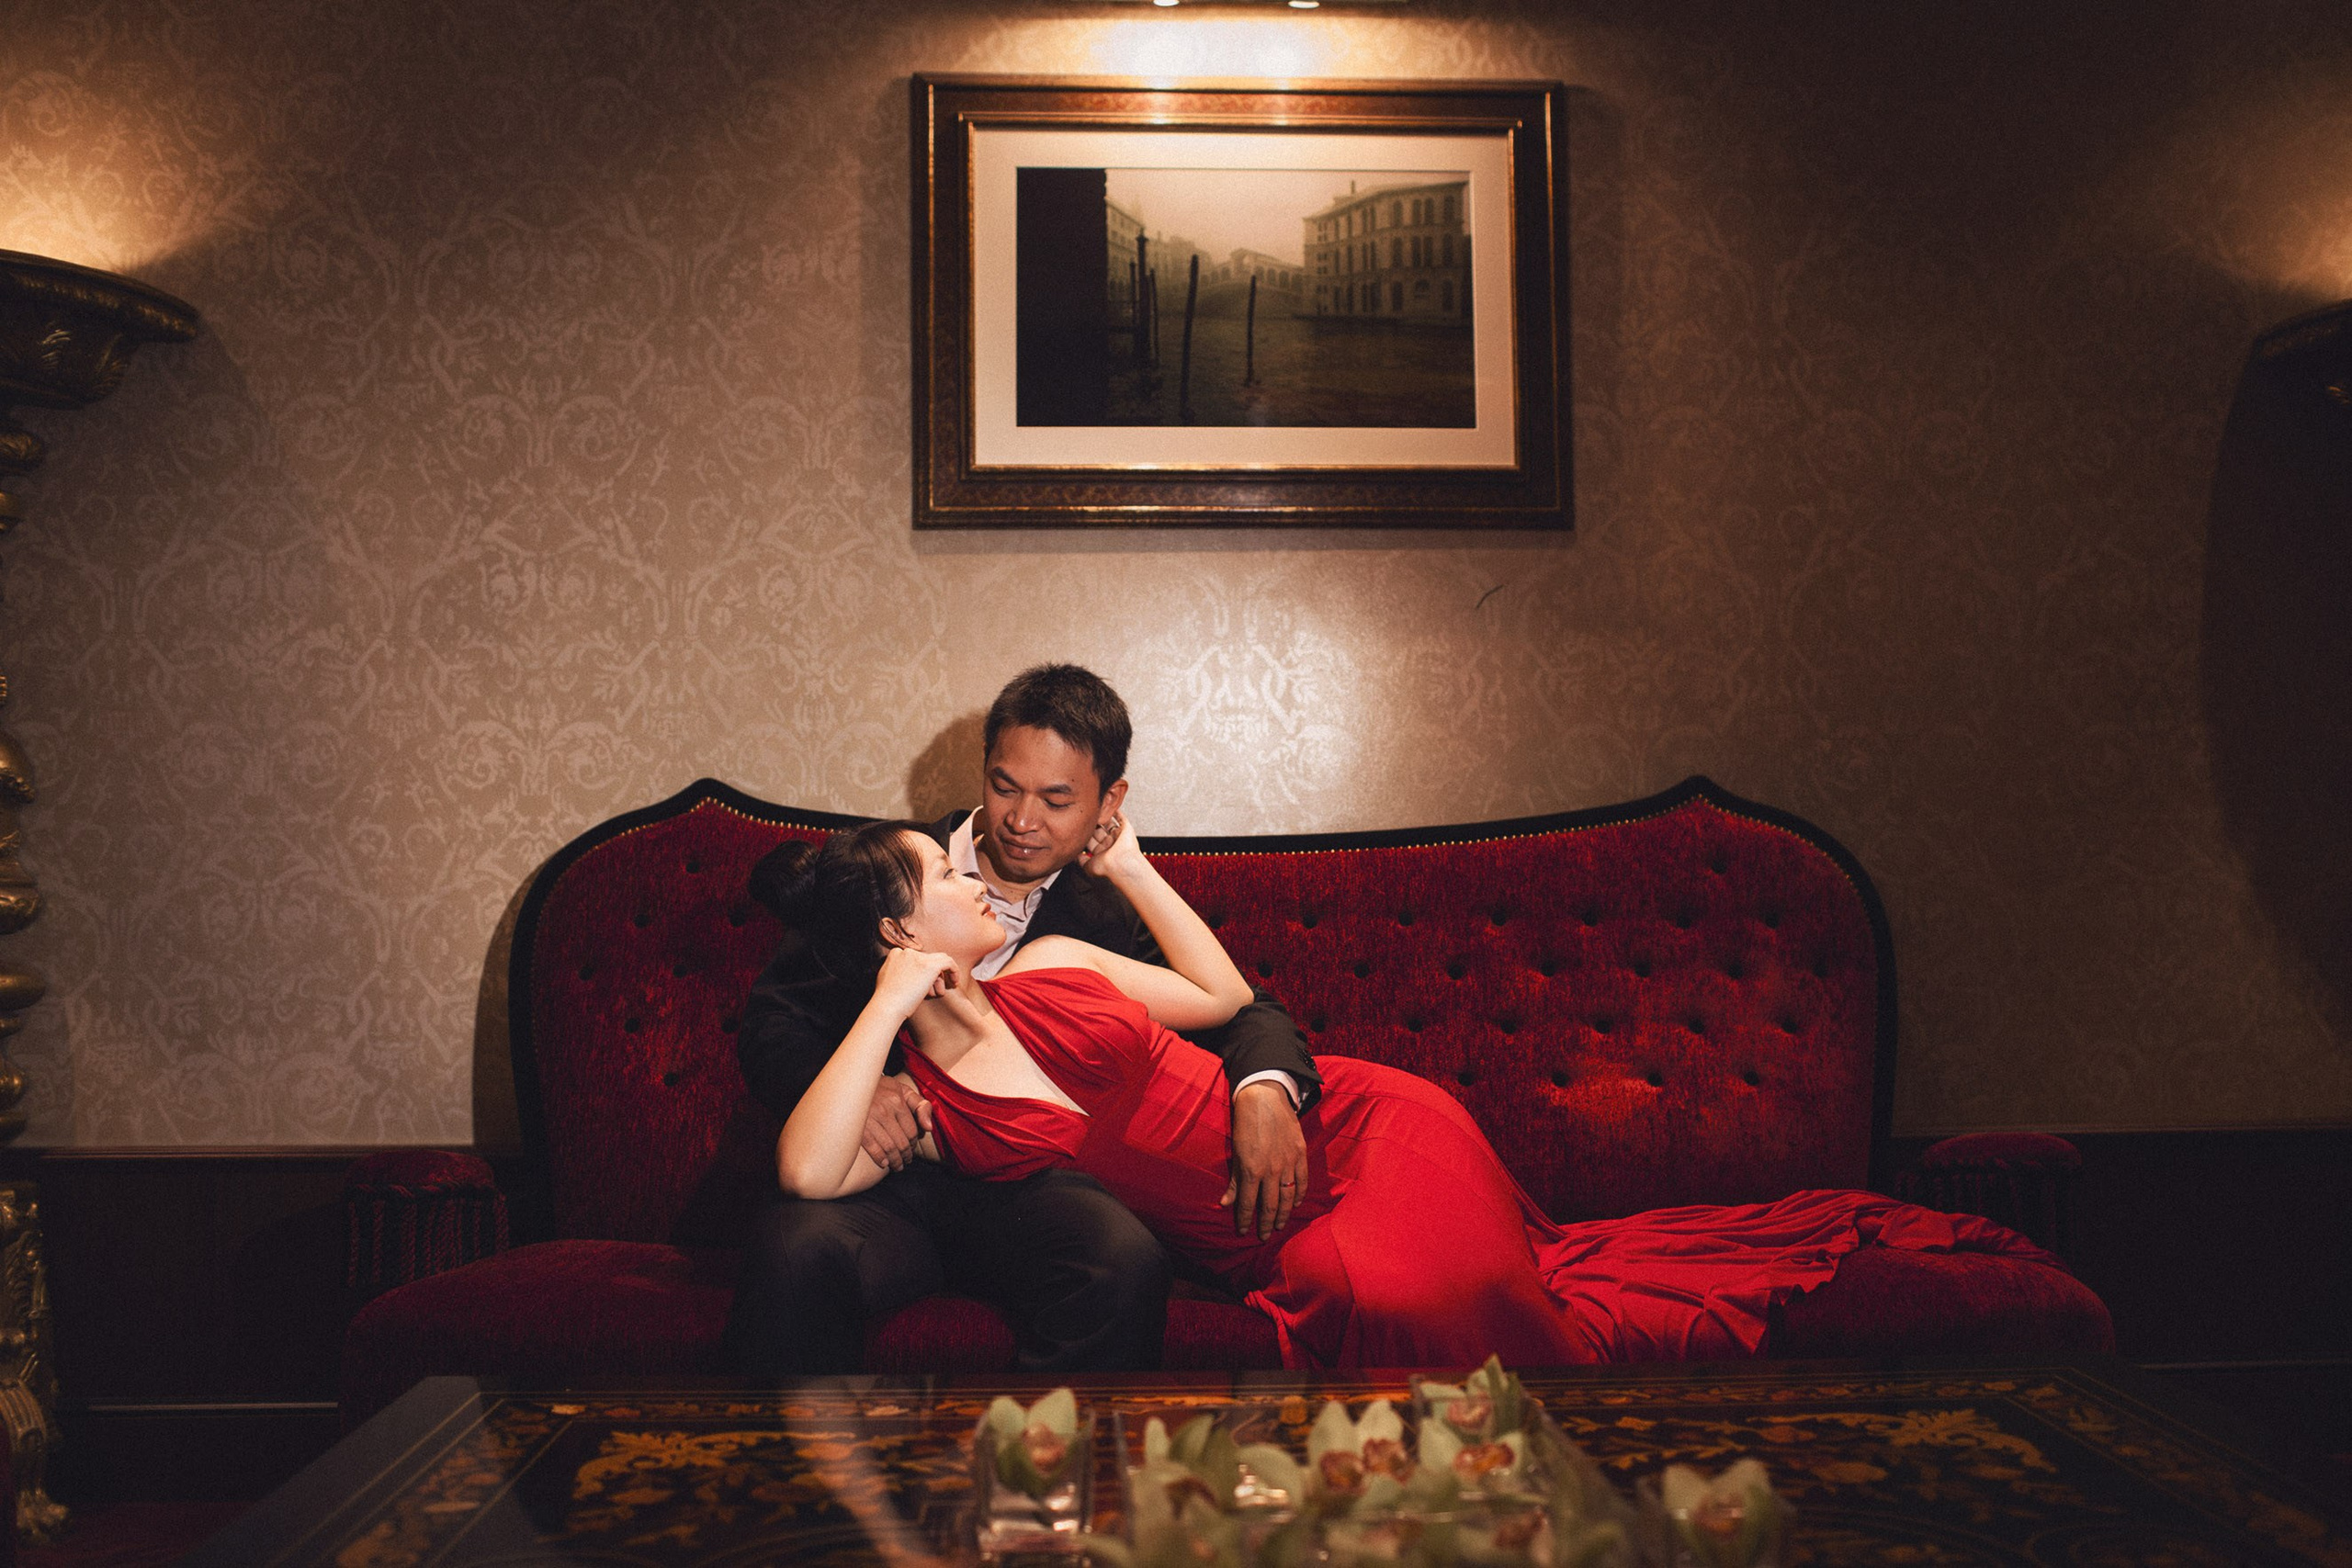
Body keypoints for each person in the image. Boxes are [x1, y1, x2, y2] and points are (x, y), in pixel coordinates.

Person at [765, 812, 2064, 1370]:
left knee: (1407, 1295)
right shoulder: (919, 1099)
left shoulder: (1054, 960)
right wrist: (889, 1006)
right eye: (945, 873)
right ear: (897, 931)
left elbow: (1223, 996)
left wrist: (1137, 866)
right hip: (1267, 1237)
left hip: (1365, 1130)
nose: (977, 872)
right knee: (1363, 1294)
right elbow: (807, 1172)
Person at [725, 665, 1322, 1377]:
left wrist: (1265, 1086)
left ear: (1109, 801)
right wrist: (871, 1090)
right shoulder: (879, 874)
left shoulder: (1106, 916)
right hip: (883, 1171)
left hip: (1031, 1184)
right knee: (794, 1249)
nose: (1022, 820)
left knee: (1120, 1259)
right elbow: (775, 1022)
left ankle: (1044, 1452)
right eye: (1005, 787)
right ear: (985, 768)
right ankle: (788, 1453)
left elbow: (1236, 1001)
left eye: (1057, 799)